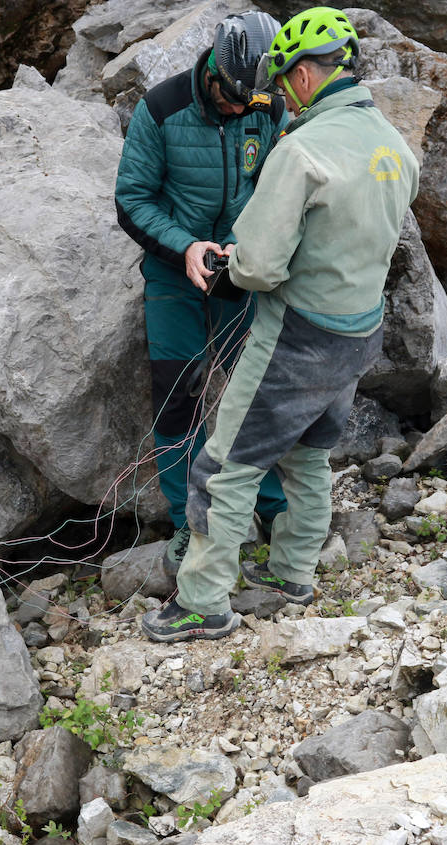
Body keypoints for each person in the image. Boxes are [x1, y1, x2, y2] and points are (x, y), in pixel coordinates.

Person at [140, 7, 420, 643]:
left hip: (294, 337)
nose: (280, 92)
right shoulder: (393, 145)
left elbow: (263, 267)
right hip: (358, 333)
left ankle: (203, 602)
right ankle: (295, 572)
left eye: (284, 78)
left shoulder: (302, 150)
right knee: (309, 455)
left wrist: (229, 262)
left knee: (225, 466)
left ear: (301, 75)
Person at [114, 11, 289, 576]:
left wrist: (244, 247)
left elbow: (276, 190)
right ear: (214, 70)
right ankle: (192, 524)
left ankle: (274, 513)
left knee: (256, 391)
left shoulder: (269, 106)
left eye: (253, 100)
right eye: (236, 98)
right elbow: (132, 199)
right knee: (178, 395)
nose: (243, 109)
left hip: (242, 271)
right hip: (174, 275)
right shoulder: (161, 109)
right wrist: (186, 246)